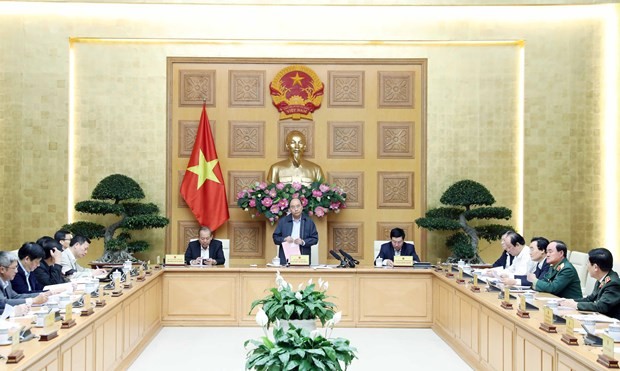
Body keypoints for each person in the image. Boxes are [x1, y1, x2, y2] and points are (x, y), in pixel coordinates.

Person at [560, 248, 620, 320]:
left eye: (588, 263)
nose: (586, 266)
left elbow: (601, 307)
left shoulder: (613, 283)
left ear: (595, 267)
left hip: (612, 324)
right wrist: (571, 301)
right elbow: (590, 299)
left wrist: (576, 305)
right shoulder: (603, 277)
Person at [273, 198, 318, 265]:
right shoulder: (283, 221)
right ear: (290, 209)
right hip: (286, 259)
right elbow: (275, 238)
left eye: (298, 206)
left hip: (303, 259)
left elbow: (315, 239)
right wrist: (284, 239)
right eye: (293, 207)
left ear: (302, 207)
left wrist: (303, 242)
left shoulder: (309, 222)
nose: (296, 209)